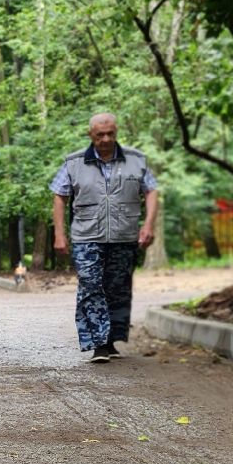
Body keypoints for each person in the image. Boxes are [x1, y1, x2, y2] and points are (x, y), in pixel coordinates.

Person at [51, 113, 158, 363]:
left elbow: (151, 191)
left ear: (116, 132)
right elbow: (59, 196)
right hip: (86, 236)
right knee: (90, 284)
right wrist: (59, 234)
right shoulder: (74, 162)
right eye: (100, 135)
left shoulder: (136, 160)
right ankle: (98, 343)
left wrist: (149, 224)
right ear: (91, 135)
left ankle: (110, 341)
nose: (106, 139)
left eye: (110, 133)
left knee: (117, 288)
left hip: (124, 234)